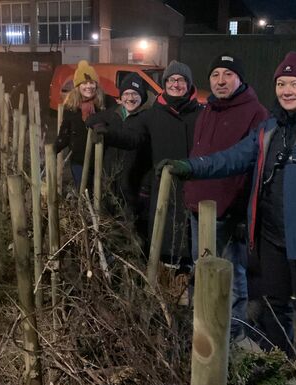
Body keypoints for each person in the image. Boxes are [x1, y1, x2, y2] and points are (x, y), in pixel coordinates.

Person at [158, 51, 296, 385]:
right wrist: (192, 167)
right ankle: (282, 369)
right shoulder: (269, 128)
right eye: (282, 83)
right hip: (271, 240)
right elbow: (234, 157)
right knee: (274, 309)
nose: (287, 90)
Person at [183, 53, 268, 340]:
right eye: (215, 74)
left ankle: (233, 332)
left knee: (231, 274)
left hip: (229, 210)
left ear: (240, 78)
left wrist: (245, 211)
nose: (220, 81)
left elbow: (254, 165)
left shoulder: (256, 113)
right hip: (199, 206)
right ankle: (204, 321)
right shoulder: (209, 109)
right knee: (202, 267)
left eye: (228, 74)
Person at [97, 60, 203, 267]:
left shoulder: (200, 114)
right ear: (164, 84)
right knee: (163, 240)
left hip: (193, 187)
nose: (175, 84)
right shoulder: (153, 114)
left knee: (191, 243)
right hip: (163, 187)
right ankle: (165, 285)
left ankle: (189, 284)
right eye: (171, 80)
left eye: (181, 80)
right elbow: (133, 138)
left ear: (189, 84)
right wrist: (108, 134)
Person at [85, 72, 154, 241]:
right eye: (126, 94)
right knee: (107, 225)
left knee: (130, 228)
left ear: (142, 97)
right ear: (121, 97)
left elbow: (133, 139)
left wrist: (108, 133)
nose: (130, 98)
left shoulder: (145, 118)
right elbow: (91, 119)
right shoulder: (115, 113)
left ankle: (133, 260)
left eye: (135, 94)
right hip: (109, 181)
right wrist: (98, 124)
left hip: (132, 185)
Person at [55, 60, 116, 189]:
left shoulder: (107, 101)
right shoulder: (71, 107)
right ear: (78, 86)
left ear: (96, 84)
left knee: (103, 193)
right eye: (84, 83)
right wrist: (54, 149)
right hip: (79, 160)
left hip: (103, 159)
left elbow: (117, 122)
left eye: (91, 82)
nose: (88, 86)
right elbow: (65, 133)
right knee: (83, 192)